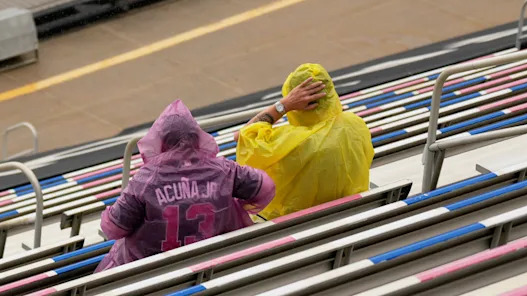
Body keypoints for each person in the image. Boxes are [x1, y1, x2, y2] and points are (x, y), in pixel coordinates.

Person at [95, 99, 276, 271]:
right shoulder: (223, 170)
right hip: (217, 266)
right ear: (197, 138)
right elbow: (265, 187)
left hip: (153, 276)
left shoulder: (145, 180)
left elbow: (113, 227)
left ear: (161, 142)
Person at [235, 63, 374, 220]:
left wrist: (284, 105)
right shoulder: (355, 125)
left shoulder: (283, 143)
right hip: (352, 219)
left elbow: (242, 136)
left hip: (295, 229)